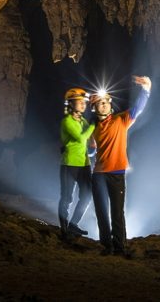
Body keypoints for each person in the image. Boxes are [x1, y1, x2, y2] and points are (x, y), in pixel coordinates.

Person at [90, 75, 151, 256]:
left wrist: (146, 88)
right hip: (99, 174)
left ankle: (119, 247)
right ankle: (106, 246)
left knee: (117, 212)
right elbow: (92, 151)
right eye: (100, 103)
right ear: (94, 108)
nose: (105, 105)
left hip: (116, 173)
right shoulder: (92, 129)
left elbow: (138, 108)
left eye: (107, 102)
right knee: (101, 212)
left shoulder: (121, 120)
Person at [58, 87, 95, 239]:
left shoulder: (83, 120)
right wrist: (93, 123)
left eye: (84, 102)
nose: (83, 104)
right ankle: (64, 230)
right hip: (69, 165)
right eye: (79, 102)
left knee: (86, 195)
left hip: (84, 164)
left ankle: (73, 225)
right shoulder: (67, 121)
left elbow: (90, 136)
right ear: (71, 103)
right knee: (67, 198)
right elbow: (81, 138)